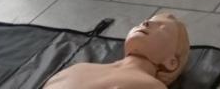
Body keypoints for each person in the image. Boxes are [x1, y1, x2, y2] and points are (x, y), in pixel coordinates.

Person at [44, 12, 189, 89]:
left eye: (162, 28)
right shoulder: (79, 68)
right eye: (145, 21)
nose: (146, 23)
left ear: (171, 62)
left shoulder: (152, 86)